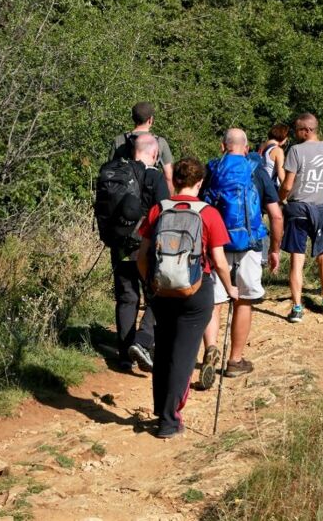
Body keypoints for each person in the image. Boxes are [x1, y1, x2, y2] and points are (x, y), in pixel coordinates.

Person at [136, 158, 235, 438]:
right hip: (195, 290)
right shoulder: (208, 213)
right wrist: (230, 288)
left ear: (175, 181)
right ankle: (169, 420)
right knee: (183, 355)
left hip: (162, 290)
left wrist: (150, 283)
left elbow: (142, 256)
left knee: (165, 350)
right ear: (199, 182)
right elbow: (218, 260)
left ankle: (161, 410)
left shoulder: (159, 209)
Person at [198, 129, 283, 384]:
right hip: (249, 244)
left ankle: (211, 348)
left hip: (216, 245)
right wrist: (275, 249)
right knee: (243, 300)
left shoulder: (212, 170)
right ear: (246, 149)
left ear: (222, 146)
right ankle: (235, 360)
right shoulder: (256, 171)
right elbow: (276, 215)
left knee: (214, 301)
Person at [279, 113, 323, 322]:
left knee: (296, 260)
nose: (295, 133)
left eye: (298, 130)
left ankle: (297, 308)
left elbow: (288, 184)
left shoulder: (295, 151)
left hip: (298, 209)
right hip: (321, 210)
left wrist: (280, 198)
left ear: (307, 130)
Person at [108, 134, 169, 373]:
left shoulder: (117, 173)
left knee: (127, 298)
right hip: (146, 247)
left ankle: (124, 355)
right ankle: (142, 340)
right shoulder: (155, 176)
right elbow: (164, 211)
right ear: (154, 154)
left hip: (120, 245)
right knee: (157, 295)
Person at [110, 102, 175, 193]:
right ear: (150, 120)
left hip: (124, 197)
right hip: (149, 197)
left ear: (133, 118)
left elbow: (110, 171)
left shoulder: (119, 140)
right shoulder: (159, 142)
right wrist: (167, 201)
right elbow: (169, 176)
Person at [258, 123, 290, 187]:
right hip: (269, 188)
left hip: (259, 186)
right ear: (283, 136)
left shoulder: (261, 147)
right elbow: (281, 177)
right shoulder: (277, 150)